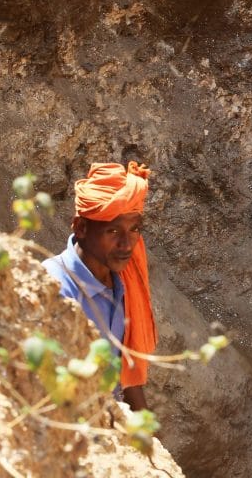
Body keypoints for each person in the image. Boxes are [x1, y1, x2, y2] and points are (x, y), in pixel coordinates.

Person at [43, 161, 157, 411]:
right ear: (81, 227)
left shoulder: (123, 282)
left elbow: (126, 378)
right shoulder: (55, 289)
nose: (127, 244)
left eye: (134, 229)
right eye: (113, 231)